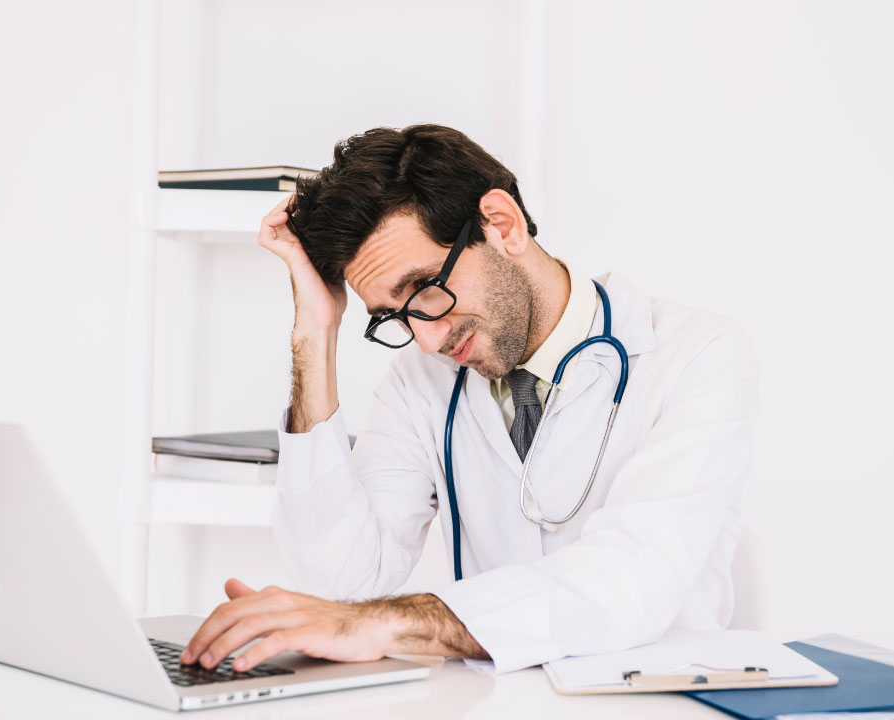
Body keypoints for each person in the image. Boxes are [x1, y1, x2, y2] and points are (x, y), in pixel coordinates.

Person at [180, 124, 759, 675]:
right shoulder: (420, 379)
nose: (428, 338)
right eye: (394, 316)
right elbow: (345, 587)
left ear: (502, 225)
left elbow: (632, 579)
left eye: (425, 290)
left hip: (656, 699)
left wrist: (380, 625)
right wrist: (315, 333)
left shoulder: (696, 354)